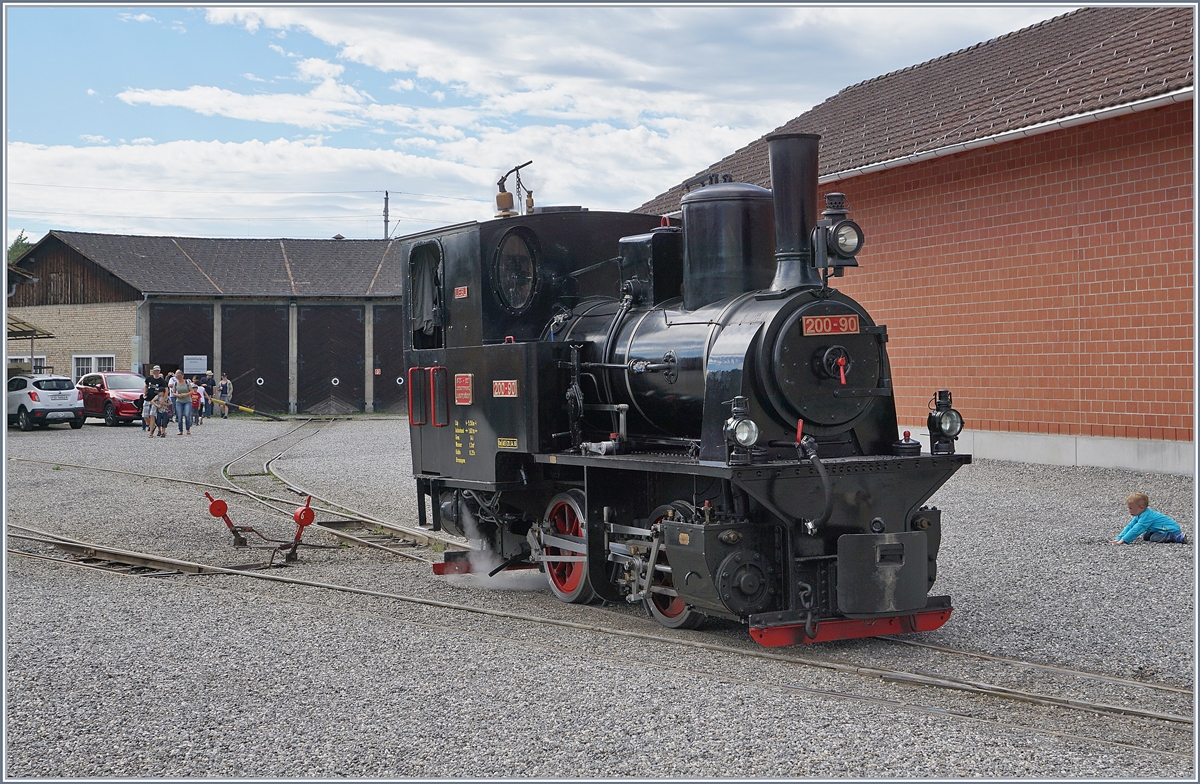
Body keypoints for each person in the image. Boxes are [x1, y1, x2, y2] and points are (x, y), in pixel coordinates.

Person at [1112, 492, 1186, 544]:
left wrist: (1124, 540)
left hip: (1170, 530)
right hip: (1160, 529)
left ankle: (1176, 537)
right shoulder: (1140, 514)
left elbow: (1137, 529)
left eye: (1131, 508)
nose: (1129, 511)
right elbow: (1130, 526)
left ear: (1141, 508)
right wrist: (1119, 538)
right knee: (1146, 536)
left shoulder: (1147, 516)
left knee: (1153, 538)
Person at [143, 365, 168, 433]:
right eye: (155, 371)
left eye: (157, 371)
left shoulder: (161, 381)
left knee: (152, 415)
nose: (156, 372)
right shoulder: (149, 378)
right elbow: (146, 386)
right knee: (145, 415)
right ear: (153, 371)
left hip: (156, 400)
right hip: (148, 398)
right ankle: (152, 426)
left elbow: (166, 390)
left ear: (159, 371)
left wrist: (163, 399)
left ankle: (151, 432)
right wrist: (144, 393)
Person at [172, 370, 193, 435]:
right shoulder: (175, 384)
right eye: (177, 376)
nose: (178, 377)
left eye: (179, 376)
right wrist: (178, 395)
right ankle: (180, 430)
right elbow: (173, 393)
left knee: (187, 415)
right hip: (179, 401)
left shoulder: (187, 382)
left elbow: (191, 391)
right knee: (179, 416)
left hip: (187, 401)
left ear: (182, 376)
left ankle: (188, 429)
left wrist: (186, 394)